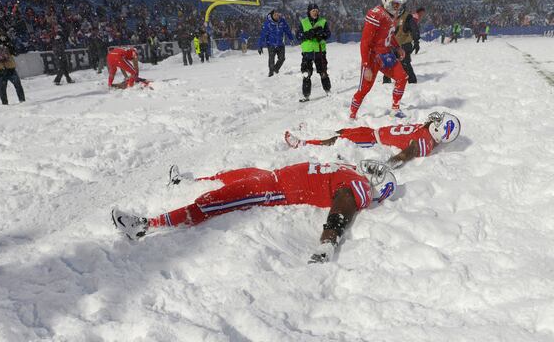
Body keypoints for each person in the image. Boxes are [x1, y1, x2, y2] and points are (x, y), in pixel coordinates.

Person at [112, 160, 397, 263]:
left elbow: (343, 205)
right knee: (233, 174)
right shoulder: (351, 170)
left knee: (214, 200)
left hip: (275, 189)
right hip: (275, 175)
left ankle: (145, 225)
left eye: (377, 173)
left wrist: (328, 240)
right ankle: (185, 181)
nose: (371, 167)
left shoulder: (359, 188)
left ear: (377, 187)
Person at [284, 112, 460, 168]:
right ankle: (310, 134)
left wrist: (388, 165)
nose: (434, 120)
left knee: (336, 140)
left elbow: (407, 154)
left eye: (438, 122)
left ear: (440, 130)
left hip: (372, 141)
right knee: (341, 131)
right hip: (373, 132)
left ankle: (303, 144)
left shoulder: (424, 143)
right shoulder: (429, 133)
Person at [349, 0, 408, 120]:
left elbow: (389, 34)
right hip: (373, 57)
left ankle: (395, 108)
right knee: (364, 89)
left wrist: (397, 47)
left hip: (386, 54)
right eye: (396, 4)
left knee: (402, 77)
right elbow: (365, 42)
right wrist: (366, 65)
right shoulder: (376, 14)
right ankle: (351, 115)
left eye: (400, 4)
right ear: (387, 0)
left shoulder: (390, 15)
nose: (398, 8)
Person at [296, 3, 332, 102]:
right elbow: (298, 36)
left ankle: (328, 90)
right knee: (306, 74)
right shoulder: (303, 22)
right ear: (309, 12)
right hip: (307, 52)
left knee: (323, 72)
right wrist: (307, 34)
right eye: (313, 11)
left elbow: (328, 34)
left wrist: (322, 34)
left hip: (320, 51)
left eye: (316, 11)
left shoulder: (323, 21)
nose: (315, 12)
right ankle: (306, 95)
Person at [383, 6, 423, 84]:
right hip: (392, 45)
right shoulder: (390, 17)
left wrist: (416, 41)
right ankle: (386, 81)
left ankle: (412, 81)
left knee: (405, 63)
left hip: (405, 43)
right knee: (388, 62)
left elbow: (414, 29)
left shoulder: (408, 17)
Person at [0, 32, 26, 105]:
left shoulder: (7, 43)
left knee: (17, 84)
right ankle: (5, 104)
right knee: (2, 88)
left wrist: (8, 43)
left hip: (9, 68)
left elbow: (16, 52)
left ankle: (22, 101)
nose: (2, 38)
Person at [258, 9, 294, 77]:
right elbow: (263, 35)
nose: (277, 16)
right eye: (275, 15)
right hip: (271, 44)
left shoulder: (282, 21)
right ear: (272, 15)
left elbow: (287, 30)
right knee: (271, 60)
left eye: (278, 15)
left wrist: (291, 39)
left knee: (282, 58)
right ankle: (271, 73)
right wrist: (260, 46)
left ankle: (276, 69)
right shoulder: (267, 23)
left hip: (281, 44)